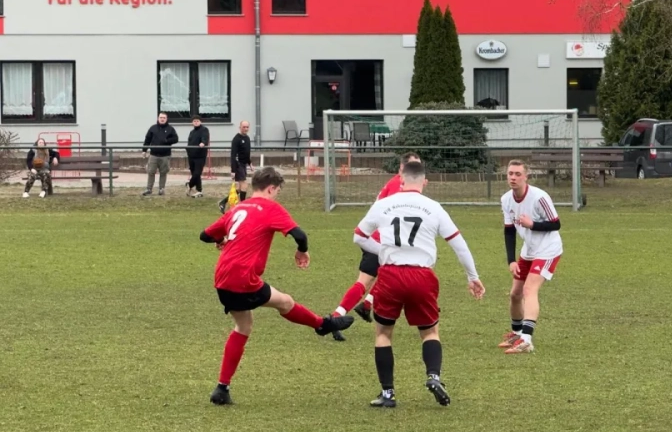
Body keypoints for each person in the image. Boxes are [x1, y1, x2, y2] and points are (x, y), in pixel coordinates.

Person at [199, 166, 355, 405]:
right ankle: (322, 325)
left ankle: (222, 388)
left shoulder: (238, 208)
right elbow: (300, 235)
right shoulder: (271, 208)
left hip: (223, 277)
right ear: (271, 189)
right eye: (278, 191)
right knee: (285, 302)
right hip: (244, 277)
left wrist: (221, 239)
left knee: (244, 325)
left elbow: (205, 235)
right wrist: (302, 252)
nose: (277, 195)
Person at [352, 160, 485, 408]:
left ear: (401, 180)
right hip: (422, 276)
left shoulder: (383, 204)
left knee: (383, 334)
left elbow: (358, 237)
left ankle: (388, 394)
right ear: (425, 181)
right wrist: (472, 276)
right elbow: (458, 244)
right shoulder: (434, 207)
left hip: (390, 275)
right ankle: (433, 376)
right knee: (430, 332)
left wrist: (384, 251)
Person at [330, 152, 422, 333]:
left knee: (392, 274)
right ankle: (335, 318)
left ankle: (366, 305)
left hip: (382, 238)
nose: (416, 170)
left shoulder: (404, 183)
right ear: (402, 168)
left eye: (418, 167)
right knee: (365, 282)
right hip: (378, 240)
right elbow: (395, 215)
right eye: (412, 166)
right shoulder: (398, 185)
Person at [498, 160, 563, 355]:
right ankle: (517, 333)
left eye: (518, 174)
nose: (513, 177)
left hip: (548, 249)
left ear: (526, 176)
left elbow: (556, 224)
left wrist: (532, 224)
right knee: (515, 294)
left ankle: (526, 340)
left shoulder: (539, 197)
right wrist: (511, 260)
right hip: (529, 249)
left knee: (529, 289)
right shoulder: (506, 199)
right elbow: (509, 231)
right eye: (510, 173)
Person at [141, 112, 179, 197]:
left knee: (163, 172)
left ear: (166, 119)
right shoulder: (153, 128)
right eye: (161, 117)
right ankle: (149, 189)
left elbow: (176, 139)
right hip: (153, 155)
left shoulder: (170, 129)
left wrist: (167, 141)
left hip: (165, 155)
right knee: (151, 172)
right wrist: (144, 150)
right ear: (158, 118)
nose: (162, 119)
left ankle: (161, 189)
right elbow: (147, 139)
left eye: (164, 118)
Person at [219, 120, 253, 214]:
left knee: (238, 189)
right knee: (244, 185)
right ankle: (242, 206)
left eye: (247, 127)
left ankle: (223, 202)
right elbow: (233, 155)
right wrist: (233, 170)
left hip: (243, 164)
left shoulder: (247, 138)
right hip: (238, 164)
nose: (245, 129)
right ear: (240, 127)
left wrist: (250, 163)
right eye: (244, 127)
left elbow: (247, 153)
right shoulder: (236, 139)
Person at [185, 115, 210, 198]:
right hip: (191, 155)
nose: (196, 122)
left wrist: (203, 143)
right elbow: (189, 142)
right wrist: (188, 150)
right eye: (194, 121)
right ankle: (199, 190)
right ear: (192, 122)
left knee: (197, 172)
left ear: (200, 122)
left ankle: (189, 184)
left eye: (197, 121)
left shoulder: (204, 129)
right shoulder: (192, 132)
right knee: (194, 173)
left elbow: (205, 138)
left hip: (200, 155)